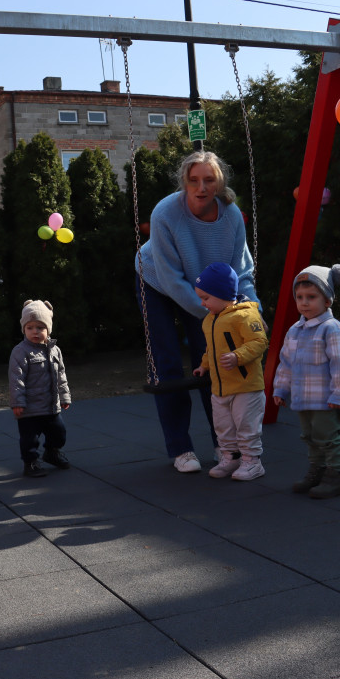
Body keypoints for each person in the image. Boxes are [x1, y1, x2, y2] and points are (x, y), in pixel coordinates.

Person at [134, 150, 259, 474]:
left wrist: (251, 311)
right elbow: (172, 279)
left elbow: (241, 271)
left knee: (215, 360)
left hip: (208, 293)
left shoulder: (231, 216)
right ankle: (181, 448)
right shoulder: (166, 213)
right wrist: (215, 316)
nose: (201, 187)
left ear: (219, 183)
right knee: (169, 362)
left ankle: (225, 445)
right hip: (157, 282)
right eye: (194, 180)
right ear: (184, 183)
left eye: (208, 180)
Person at [272, 264, 340, 499]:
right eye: (299, 297)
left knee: (328, 438)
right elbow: (286, 363)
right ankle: (317, 471)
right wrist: (281, 389)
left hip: (326, 400)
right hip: (302, 399)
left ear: (327, 300)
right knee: (309, 437)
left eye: (311, 297)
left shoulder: (332, 329)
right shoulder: (295, 330)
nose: (304, 302)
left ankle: (336, 477)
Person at [190, 263, 269, 480]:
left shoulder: (245, 316)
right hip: (220, 387)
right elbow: (211, 348)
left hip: (246, 386)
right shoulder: (209, 320)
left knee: (246, 426)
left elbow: (259, 342)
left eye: (206, 298)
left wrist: (237, 356)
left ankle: (253, 462)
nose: (202, 303)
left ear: (222, 294)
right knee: (223, 427)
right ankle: (231, 457)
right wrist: (203, 365)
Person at [8, 300, 71, 478]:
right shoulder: (20, 352)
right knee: (30, 439)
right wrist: (18, 402)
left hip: (51, 405)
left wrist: (64, 396)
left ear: (48, 330)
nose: (35, 331)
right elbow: (16, 379)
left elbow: (61, 375)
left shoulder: (55, 350)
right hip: (29, 408)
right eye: (30, 327)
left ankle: (52, 452)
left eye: (40, 327)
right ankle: (31, 463)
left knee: (59, 433)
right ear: (24, 329)